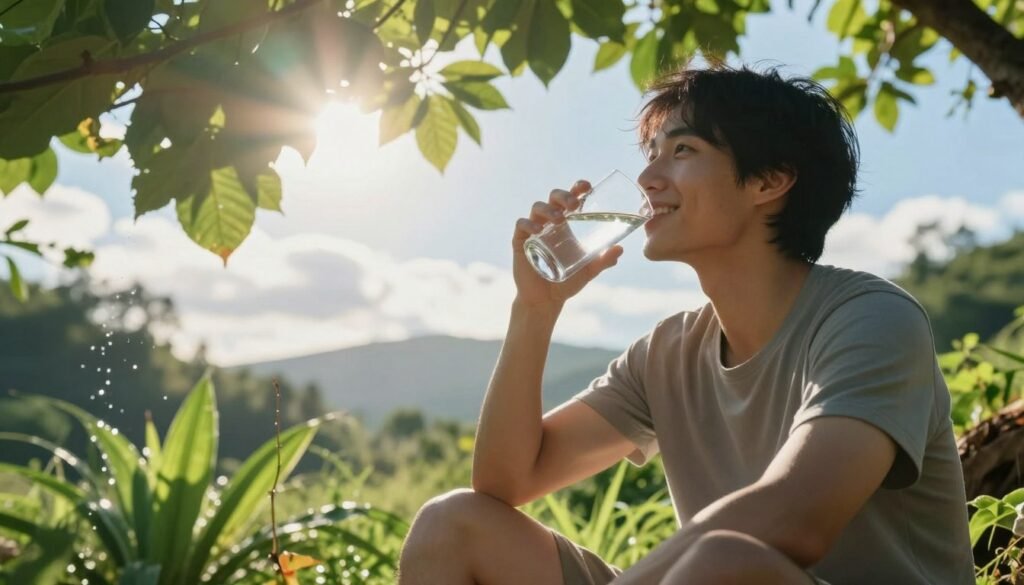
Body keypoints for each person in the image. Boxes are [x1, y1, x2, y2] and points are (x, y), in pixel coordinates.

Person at [396, 61, 975, 585]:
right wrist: (535, 311)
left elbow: (795, 520)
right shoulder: (668, 353)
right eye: (652, 155)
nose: (648, 179)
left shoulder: (870, 319)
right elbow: (506, 482)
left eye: (683, 151)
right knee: (454, 524)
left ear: (769, 181)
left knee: (727, 564)